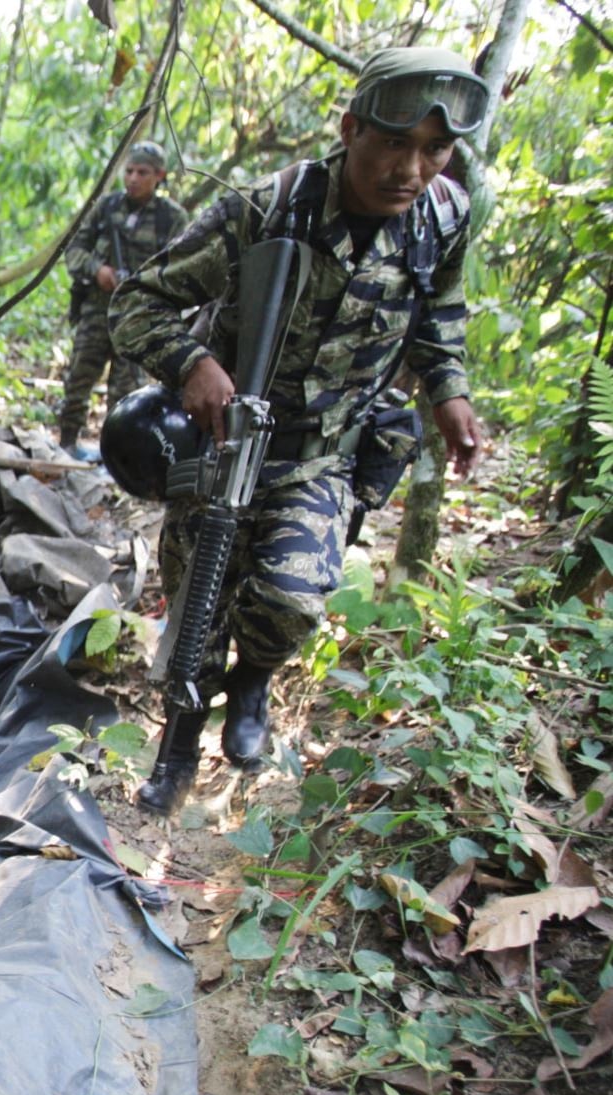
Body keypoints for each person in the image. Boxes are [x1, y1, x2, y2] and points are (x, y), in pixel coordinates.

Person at [110, 47, 489, 815]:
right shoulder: (268, 209)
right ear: (350, 130)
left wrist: (448, 391)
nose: (410, 169)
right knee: (197, 603)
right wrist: (193, 364)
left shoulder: (442, 221)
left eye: (433, 151)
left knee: (289, 597)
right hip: (223, 445)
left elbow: (437, 316)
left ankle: (253, 686)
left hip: (325, 453)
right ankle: (177, 749)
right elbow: (138, 304)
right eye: (392, 144)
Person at [56, 140, 188, 462]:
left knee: (126, 395)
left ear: (159, 176)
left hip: (139, 319)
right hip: (97, 311)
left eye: (142, 172)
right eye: (128, 171)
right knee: (78, 380)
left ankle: (114, 457)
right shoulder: (107, 208)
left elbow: (181, 268)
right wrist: (96, 270)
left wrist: (142, 284)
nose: (132, 178)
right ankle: (66, 445)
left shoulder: (171, 219)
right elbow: (73, 249)